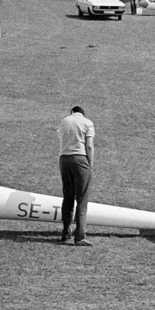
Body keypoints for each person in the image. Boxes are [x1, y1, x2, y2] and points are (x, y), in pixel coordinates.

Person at [57, 104, 96, 246]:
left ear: (72, 112)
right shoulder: (87, 123)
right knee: (82, 199)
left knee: (68, 197)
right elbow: (89, 146)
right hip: (80, 159)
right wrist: (89, 165)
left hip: (64, 159)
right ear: (83, 114)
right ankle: (79, 236)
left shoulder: (64, 121)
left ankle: (66, 232)